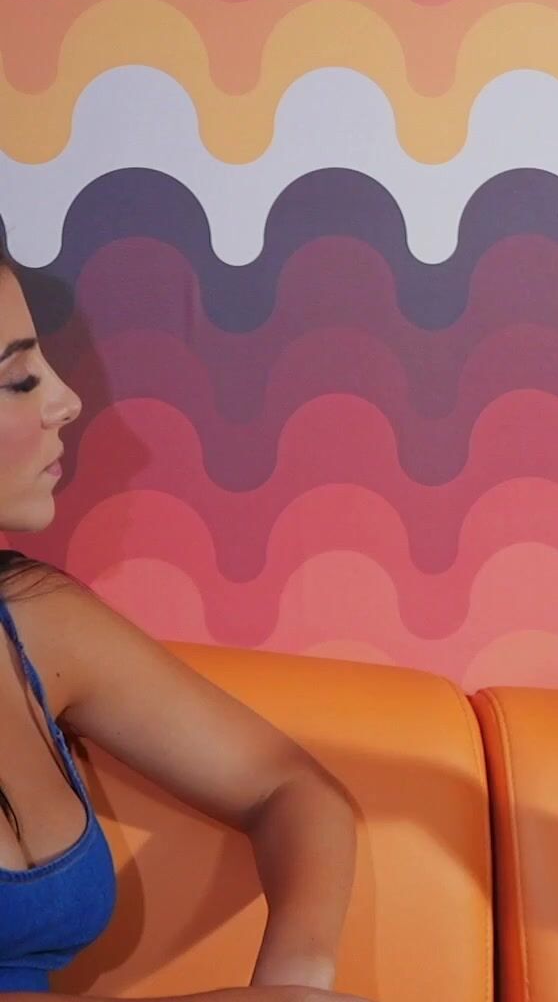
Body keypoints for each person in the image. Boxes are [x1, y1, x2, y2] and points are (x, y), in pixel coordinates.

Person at [0, 232, 368, 1002]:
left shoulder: (36, 621)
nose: (66, 400)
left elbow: (292, 790)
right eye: (20, 379)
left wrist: (294, 982)